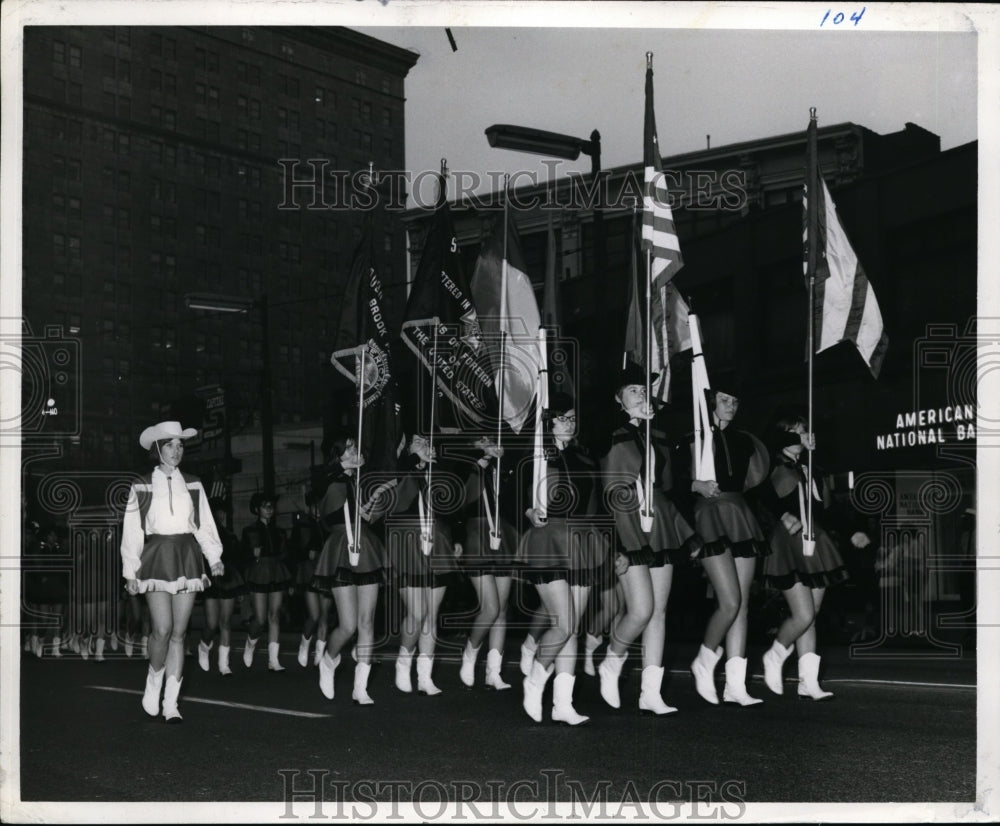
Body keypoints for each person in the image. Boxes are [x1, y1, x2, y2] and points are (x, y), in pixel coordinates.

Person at [599, 366, 699, 716]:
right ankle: (612, 661)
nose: (643, 396)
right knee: (640, 610)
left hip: (658, 523)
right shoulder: (611, 436)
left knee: (658, 612)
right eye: (633, 391)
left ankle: (650, 693)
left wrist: (685, 529)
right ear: (619, 400)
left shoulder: (660, 436)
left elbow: (669, 486)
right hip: (626, 523)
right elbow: (606, 493)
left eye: (646, 390)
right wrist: (615, 544)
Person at [119, 421, 224, 722]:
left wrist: (214, 556)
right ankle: (154, 679)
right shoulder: (141, 484)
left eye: (180, 445)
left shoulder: (193, 483)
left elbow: (203, 524)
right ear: (158, 449)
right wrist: (130, 571)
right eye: (170, 445)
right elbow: (133, 531)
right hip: (156, 557)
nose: (176, 451)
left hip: (187, 556)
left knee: (179, 633)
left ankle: (171, 703)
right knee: (162, 630)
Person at [519, 393, 608, 724]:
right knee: (564, 623)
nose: (569, 423)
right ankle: (535, 679)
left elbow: (597, 506)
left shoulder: (585, 458)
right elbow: (517, 495)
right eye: (562, 418)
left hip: (582, 540)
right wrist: (528, 510)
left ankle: (563, 704)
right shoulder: (537, 455)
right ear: (548, 421)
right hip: (548, 540)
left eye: (572, 418)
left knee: (573, 630)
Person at [759, 411, 855, 700]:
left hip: (816, 541)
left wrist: (853, 532)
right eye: (795, 431)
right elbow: (765, 496)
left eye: (804, 430)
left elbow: (825, 507)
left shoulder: (811, 467)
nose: (802, 436)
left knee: (811, 617)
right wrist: (782, 515)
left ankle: (808, 682)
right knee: (804, 614)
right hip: (789, 542)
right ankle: (775, 655)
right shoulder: (773, 466)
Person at [687, 383, 770, 707]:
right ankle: (705, 660)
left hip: (739, 516)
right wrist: (695, 483)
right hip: (709, 515)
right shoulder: (694, 438)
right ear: (710, 402)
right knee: (730, 602)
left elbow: (756, 483)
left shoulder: (745, 441)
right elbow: (674, 482)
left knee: (743, 604)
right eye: (724, 399)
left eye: (735, 400)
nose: (731, 405)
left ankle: (735, 685)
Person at [312, 435, 390, 704]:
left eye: (356, 447)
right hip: (340, 548)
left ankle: (361, 687)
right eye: (350, 448)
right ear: (338, 455)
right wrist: (347, 468)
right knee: (347, 625)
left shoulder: (361, 482)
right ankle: (328, 661)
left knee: (367, 622)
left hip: (365, 546)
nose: (356, 451)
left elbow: (368, 515)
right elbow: (325, 485)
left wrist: (375, 499)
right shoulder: (327, 479)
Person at [386, 433, 462, 696]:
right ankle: (403, 662)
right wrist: (414, 462)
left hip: (437, 544)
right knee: (417, 613)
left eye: (427, 443)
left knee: (431, 616)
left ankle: (425, 676)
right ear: (407, 450)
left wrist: (454, 540)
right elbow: (401, 494)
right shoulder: (403, 473)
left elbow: (449, 511)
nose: (426, 446)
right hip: (409, 545)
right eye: (419, 443)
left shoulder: (438, 474)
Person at [455, 433, 518, 692]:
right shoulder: (465, 470)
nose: (492, 443)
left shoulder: (502, 470)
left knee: (502, 609)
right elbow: (462, 503)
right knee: (490, 608)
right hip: (477, 538)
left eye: (493, 439)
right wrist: (480, 462)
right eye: (483, 440)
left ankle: (494, 671)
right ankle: (470, 652)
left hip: (501, 537)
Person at [240, 491, 291, 671]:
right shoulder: (249, 531)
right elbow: (241, 556)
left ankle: (273, 660)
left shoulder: (280, 532)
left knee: (274, 615)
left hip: (276, 572)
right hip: (258, 572)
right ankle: (250, 643)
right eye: (265, 506)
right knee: (260, 620)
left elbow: (285, 554)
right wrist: (252, 555)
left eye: (271, 506)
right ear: (257, 509)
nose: (269, 509)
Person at [197, 498, 247, 675]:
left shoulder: (231, 536)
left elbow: (237, 561)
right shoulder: (204, 537)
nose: (220, 516)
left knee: (225, 622)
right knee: (211, 624)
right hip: (211, 580)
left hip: (228, 579)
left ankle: (223, 663)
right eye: (217, 512)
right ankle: (203, 646)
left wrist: (240, 588)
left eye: (222, 512)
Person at [290, 503, 333, 668]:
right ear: (309, 507)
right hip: (309, 572)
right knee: (314, 616)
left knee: (324, 616)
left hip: (326, 572)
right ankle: (304, 643)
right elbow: (292, 551)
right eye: (315, 506)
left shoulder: (328, 525)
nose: (318, 510)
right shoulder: (302, 526)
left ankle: (320, 654)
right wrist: (306, 554)